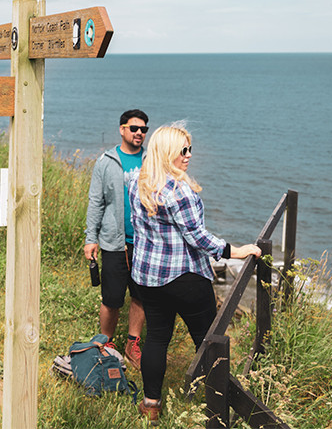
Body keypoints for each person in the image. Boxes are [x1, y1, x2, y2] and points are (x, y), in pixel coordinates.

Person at [128, 122, 262, 424]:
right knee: (208, 339)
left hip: (148, 276)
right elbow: (198, 238)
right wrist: (235, 251)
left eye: (190, 149)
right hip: (183, 277)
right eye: (182, 150)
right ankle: (221, 404)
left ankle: (151, 405)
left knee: (157, 338)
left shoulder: (138, 180)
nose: (189, 155)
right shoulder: (179, 192)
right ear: (167, 153)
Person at [84, 109, 149, 369]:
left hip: (146, 241)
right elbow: (95, 202)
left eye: (144, 129)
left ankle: (133, 344)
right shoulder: (106, 161)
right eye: (134, 128)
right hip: (114, 242)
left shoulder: (151, 160)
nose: (139, 133)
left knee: (141, 295)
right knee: (111, 298)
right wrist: (91, 239)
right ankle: (105, 343)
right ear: (122, 129)